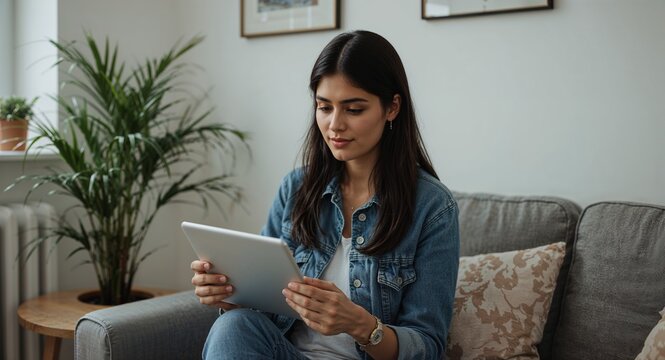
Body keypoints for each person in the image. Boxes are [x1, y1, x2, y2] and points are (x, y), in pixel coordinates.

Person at [190, 30, 459, 360]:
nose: (334, 125)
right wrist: (230, 295)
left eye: (353, 109)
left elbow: (428, 345)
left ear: (392, 107)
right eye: (324, 107)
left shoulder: (432, 207)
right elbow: (263, 304)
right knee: (234, 325)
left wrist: (361, 325)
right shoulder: (297, 188)